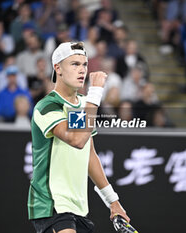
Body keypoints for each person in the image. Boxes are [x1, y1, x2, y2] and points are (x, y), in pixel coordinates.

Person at [28, 41, 129, 233]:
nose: (82, 70)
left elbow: (89, 154)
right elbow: (76, 140)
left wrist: (113, 201)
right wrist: (96, 92)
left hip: (77, 207)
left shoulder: (82, 104)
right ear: (58, 68)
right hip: (51, 203)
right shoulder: (47, 107)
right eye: (74, 64)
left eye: (84, 65)